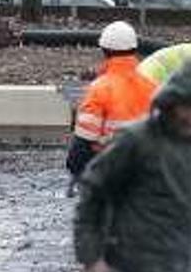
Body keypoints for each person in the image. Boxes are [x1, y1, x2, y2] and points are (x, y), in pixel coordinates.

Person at [74, 60, 191, 272]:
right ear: (170, 104)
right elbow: (93, 191)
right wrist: (92, 258)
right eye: (185, 107)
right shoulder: (137, 141)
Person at [65, 21, 158, 188]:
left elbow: (81, 147)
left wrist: (76, 173)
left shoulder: (99, 89)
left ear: (104, 51)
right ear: (135, 50)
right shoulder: (153, 87)